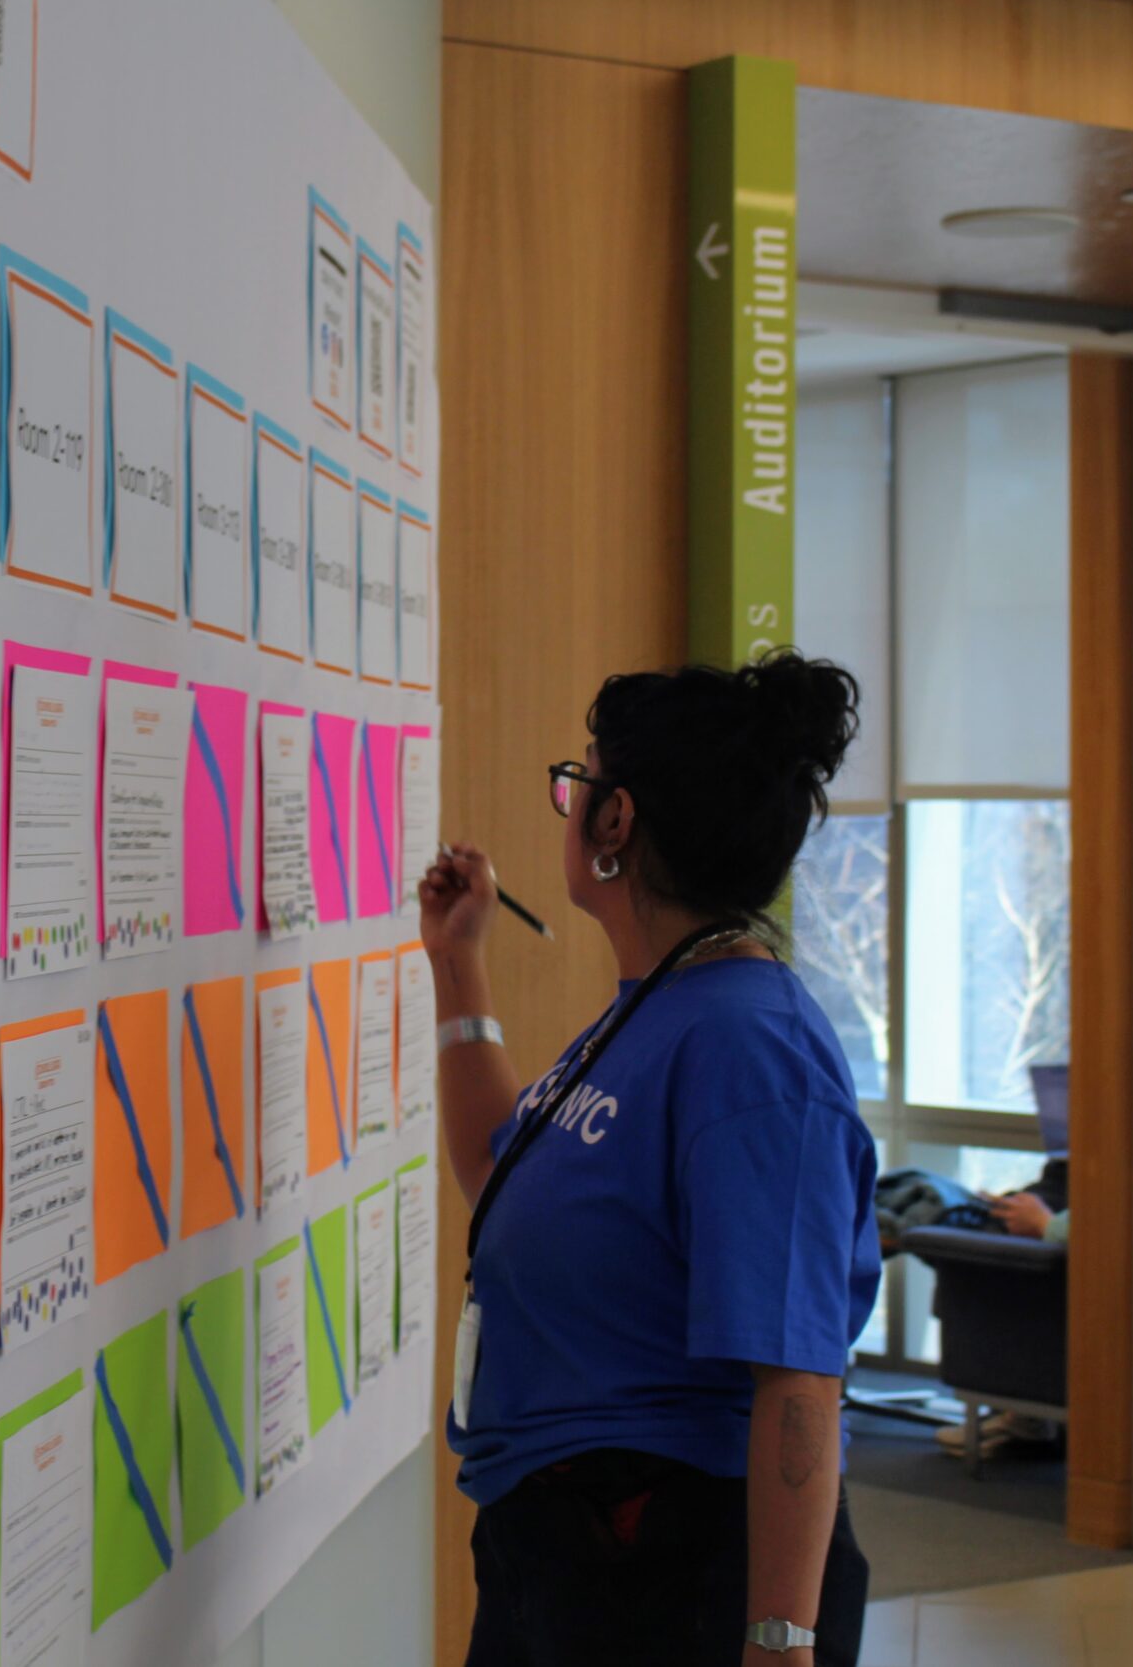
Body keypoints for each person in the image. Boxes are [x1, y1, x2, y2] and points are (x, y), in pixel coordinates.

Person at [423, 654, 882, 1667]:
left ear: (616, 821)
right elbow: (503, 1175)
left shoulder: (751, 1052)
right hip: (565, 1552)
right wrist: (459, 964)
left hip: (674, 1572)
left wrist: (777, 1647)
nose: (567, 806)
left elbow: (799, 1380)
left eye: (575, 783)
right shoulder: (661, 1005)